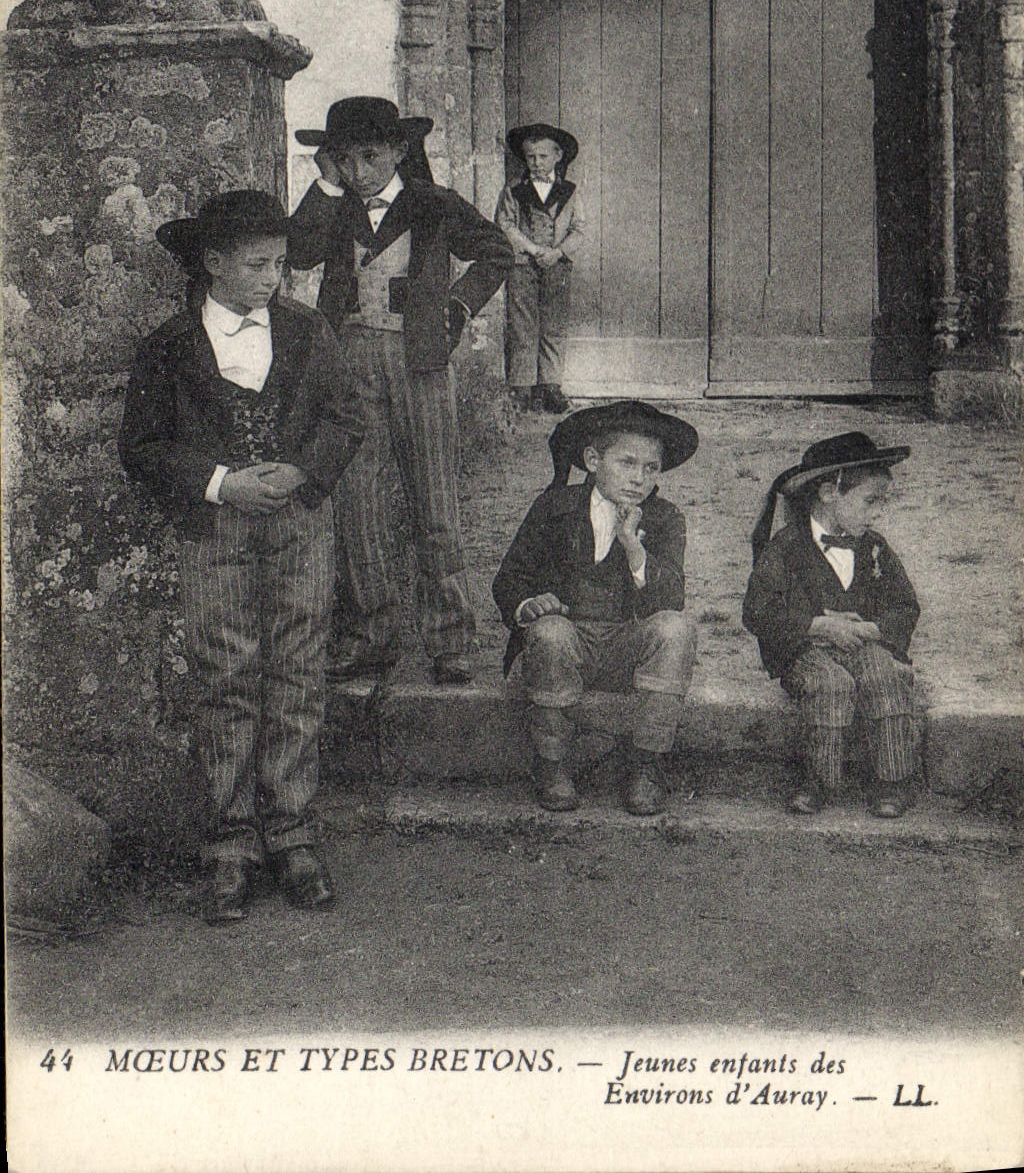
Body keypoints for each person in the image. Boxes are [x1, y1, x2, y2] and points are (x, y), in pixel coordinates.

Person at [119, 191, 364, 924]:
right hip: (215, 533)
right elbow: (142, 447)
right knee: (225, 675)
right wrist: (221, 482)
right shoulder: (167, 346)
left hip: (299, 526)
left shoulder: (307, 330)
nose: (272, 278)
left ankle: (292, 834)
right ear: (213, 262)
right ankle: (230, 844)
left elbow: (345, 415)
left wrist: (300, 471)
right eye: (258, 264)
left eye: (282, 264)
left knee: (297, 668)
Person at [288, 95, 514, 685]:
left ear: (398, 150)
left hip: (420, 362)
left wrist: (458, 307)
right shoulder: (334, 208)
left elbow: (495, 252)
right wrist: (326, 187)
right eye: (344, 159)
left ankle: (449, 637)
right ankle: (373, 633)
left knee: (433, 497)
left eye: (371, 156)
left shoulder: (432, 204)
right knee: (358, 500)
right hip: (349, 363)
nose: (360, 171)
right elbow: (300, 251)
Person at [493, 401, 698, 815]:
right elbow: (509, 579)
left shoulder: (664, 519)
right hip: (568, 644)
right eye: (627, 463)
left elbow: (671, 599)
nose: (639, 478)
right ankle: (552, 763)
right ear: (592, 459)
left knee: (678, 629)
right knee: (549, 633)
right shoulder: (555, 507)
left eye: (650, 468)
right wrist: (530, 605)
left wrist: (634, 547)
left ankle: (646, 764)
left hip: (626, 644)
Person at [741, 431, 920, 818]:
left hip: (861, 643)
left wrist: (871, 631)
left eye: (882, 503)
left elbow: (904, 605)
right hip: (806, 649)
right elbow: (757, 610)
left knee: (883, 674)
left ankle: (893, 779)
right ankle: (818, 781)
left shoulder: (873, 547)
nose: (878, 513)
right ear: (828, 493)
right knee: (830, 683)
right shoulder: (787, 547)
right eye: (870, 501)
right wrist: (819, 626)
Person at [495, 122, 583, 413]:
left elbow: (579, 229)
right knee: (523, 324)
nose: (537, 162)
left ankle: (550, 385)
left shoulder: (569, 191)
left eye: (543, 157)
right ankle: (522, 386)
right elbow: (505, 224)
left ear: (558, 157)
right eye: (531, 157)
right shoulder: (514, 189)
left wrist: (557, 252)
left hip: (557, 265)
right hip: (523, 265)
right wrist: (531, 249)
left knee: (554, 324)